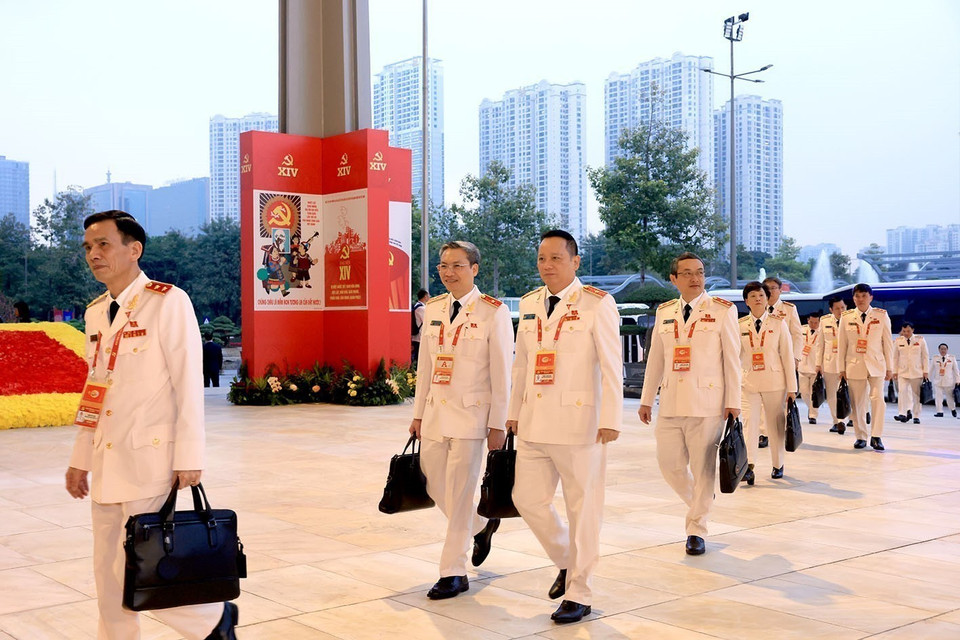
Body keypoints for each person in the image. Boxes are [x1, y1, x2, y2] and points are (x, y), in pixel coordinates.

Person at [65, 210, 238, 640]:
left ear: (134, 249)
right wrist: (79, 458)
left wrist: (190, 457)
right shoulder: (96, 312)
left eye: (103, 244)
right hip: (105, 462)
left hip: (149, 457)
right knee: (107, 576)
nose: (93, 254)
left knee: (146, 567)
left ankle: (214, 620)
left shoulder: (167, 301)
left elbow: (187, 385)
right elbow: (95, 390)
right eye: (88, 247)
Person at [507, 230, 622, 624]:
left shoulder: (596, 304)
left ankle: (580, 591)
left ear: (575, 261)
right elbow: (522, 364)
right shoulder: (527, 304)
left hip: (580, 424)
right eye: (542, 258)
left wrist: (610, 418)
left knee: (583, 510)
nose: (547, 265)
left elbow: (612, 365)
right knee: (527, 499)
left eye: (556, 258)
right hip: (535, 421)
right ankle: (566, 560)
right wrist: (513, 411)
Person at [410, 241, 513, 601]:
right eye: (442, 265)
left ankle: (453, 571)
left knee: (459, 490)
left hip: (472, 416)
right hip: (436, 413)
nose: (448, 272)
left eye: (456, 265)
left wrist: (499, 422)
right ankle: (482, 524)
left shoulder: (492, 312)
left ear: (475, 269)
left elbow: (503, 373)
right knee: (435, 485)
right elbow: (425, 366)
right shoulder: (434, 308)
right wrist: (418, 413)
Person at [639, 252, 740, 555]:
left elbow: (732, 360)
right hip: (670, 401)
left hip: (708, 403)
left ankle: (697, 528)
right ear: (674, 279)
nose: (695, 279)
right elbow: (656, 357)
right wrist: (646, 399)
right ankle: (702, 499)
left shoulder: (723, 310)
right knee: (669, 465)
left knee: (703, 468)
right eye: (687, 274)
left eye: (700, 272)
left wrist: (733, 402)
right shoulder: (665, 311)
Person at [737, 281, 797, 483]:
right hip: (749, 383)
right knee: (749, 425)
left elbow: (787, 356)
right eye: (752, 296)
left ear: (767, 299)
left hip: (775, 382)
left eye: (761, 295)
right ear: (746, 301)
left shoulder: (778, 323)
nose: (758, 299)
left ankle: (778, 464)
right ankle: (749, 466)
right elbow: (735, 357)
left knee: (775, 425)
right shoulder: (739, 326)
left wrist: (792, 388)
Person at [837, 283, 894, 451]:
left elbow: (887, 343)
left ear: (871, 297)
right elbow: (842, 344)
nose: (860, 299)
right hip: (854, 365)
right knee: (858, 403)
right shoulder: (846, 317)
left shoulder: (881, 315)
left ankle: (876, 436)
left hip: (877, 364)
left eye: (864, 296)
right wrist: (841, 368)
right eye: (857, 296)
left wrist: (890, 367)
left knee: (878, 400)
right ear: (853, 298)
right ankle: (860, 436)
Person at [817, 297, 849, 434]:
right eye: (837, 308)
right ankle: (837, 421)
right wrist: (818, 364)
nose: (840, 311)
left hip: (848, 364)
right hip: (830, 363)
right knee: (831, 394)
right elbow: (820, 344)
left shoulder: (851, 319)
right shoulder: (824, 321)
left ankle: (850, 417)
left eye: (842, 307)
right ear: (831, 309)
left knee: (849, 393)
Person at [892, 322, 929, 423]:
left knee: (916, 395)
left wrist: (926, 371)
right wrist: (894, 371)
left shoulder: (920, 340)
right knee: (902, 392)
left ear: (913, 330)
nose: (906, 333)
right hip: (902, 371)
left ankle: (916, 415)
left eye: (908, 331)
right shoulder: (898, 341)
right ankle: (902, 413)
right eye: (904, 331)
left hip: (917, 372)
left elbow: (925, 356)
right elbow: (895, 357)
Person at [798, 312, 822, 424]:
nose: (813, 324)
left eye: (816, 322)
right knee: (804, 392)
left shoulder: (822, 332)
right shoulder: (801, 330)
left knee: (814, 393)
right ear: (808, 320)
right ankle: (811, 408)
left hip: (815, 367)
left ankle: (813, 415)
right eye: (811, 322)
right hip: (802, 366)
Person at [931, 343, 960, 417]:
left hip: (949, 381)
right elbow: (930, 369)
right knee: (938, 397)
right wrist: (926, 378)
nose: (943, 350)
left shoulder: (952, 358)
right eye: (941, 349)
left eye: (944, 349)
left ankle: (952, 409)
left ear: (947, 350)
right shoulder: (935, 358)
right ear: (939, 350)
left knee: (950, 397)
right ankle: (939, 411)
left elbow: (956, 370)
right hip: (938, 381)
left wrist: (958, 380)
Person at [411, 288, 429, 364]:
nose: (429, 297)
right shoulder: (421, 308)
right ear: (425, 296)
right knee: (418, 357)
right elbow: (427, 321)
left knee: (416, 355)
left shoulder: (416, 306)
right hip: (419, 337)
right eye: (428, 295)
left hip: (416, 336)